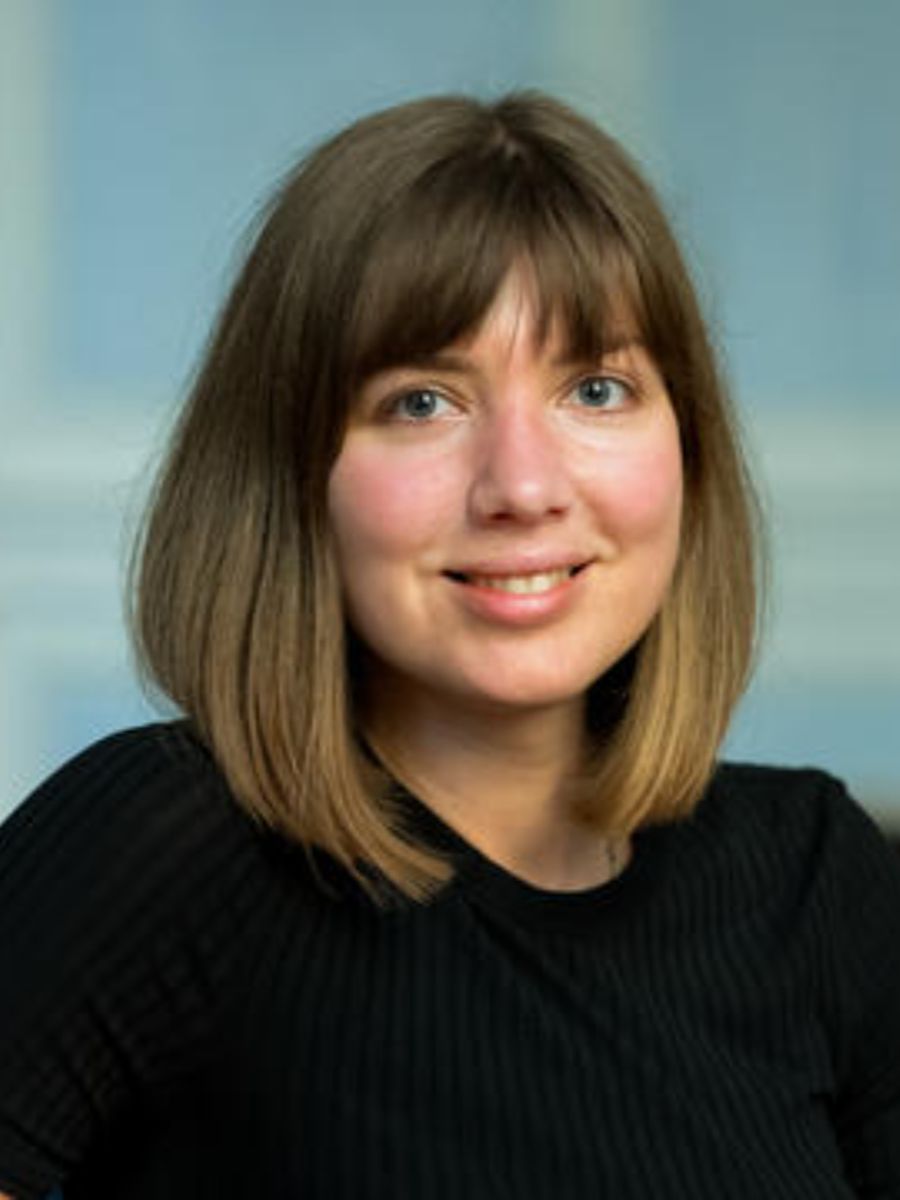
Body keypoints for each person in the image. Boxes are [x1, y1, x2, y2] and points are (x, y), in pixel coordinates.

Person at [1, 91, 899, 1200]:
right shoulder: (156, 850)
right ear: (290, 480)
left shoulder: (816, 880)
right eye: (421, 401)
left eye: (597, 389)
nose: (522, 487)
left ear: (689, 448)